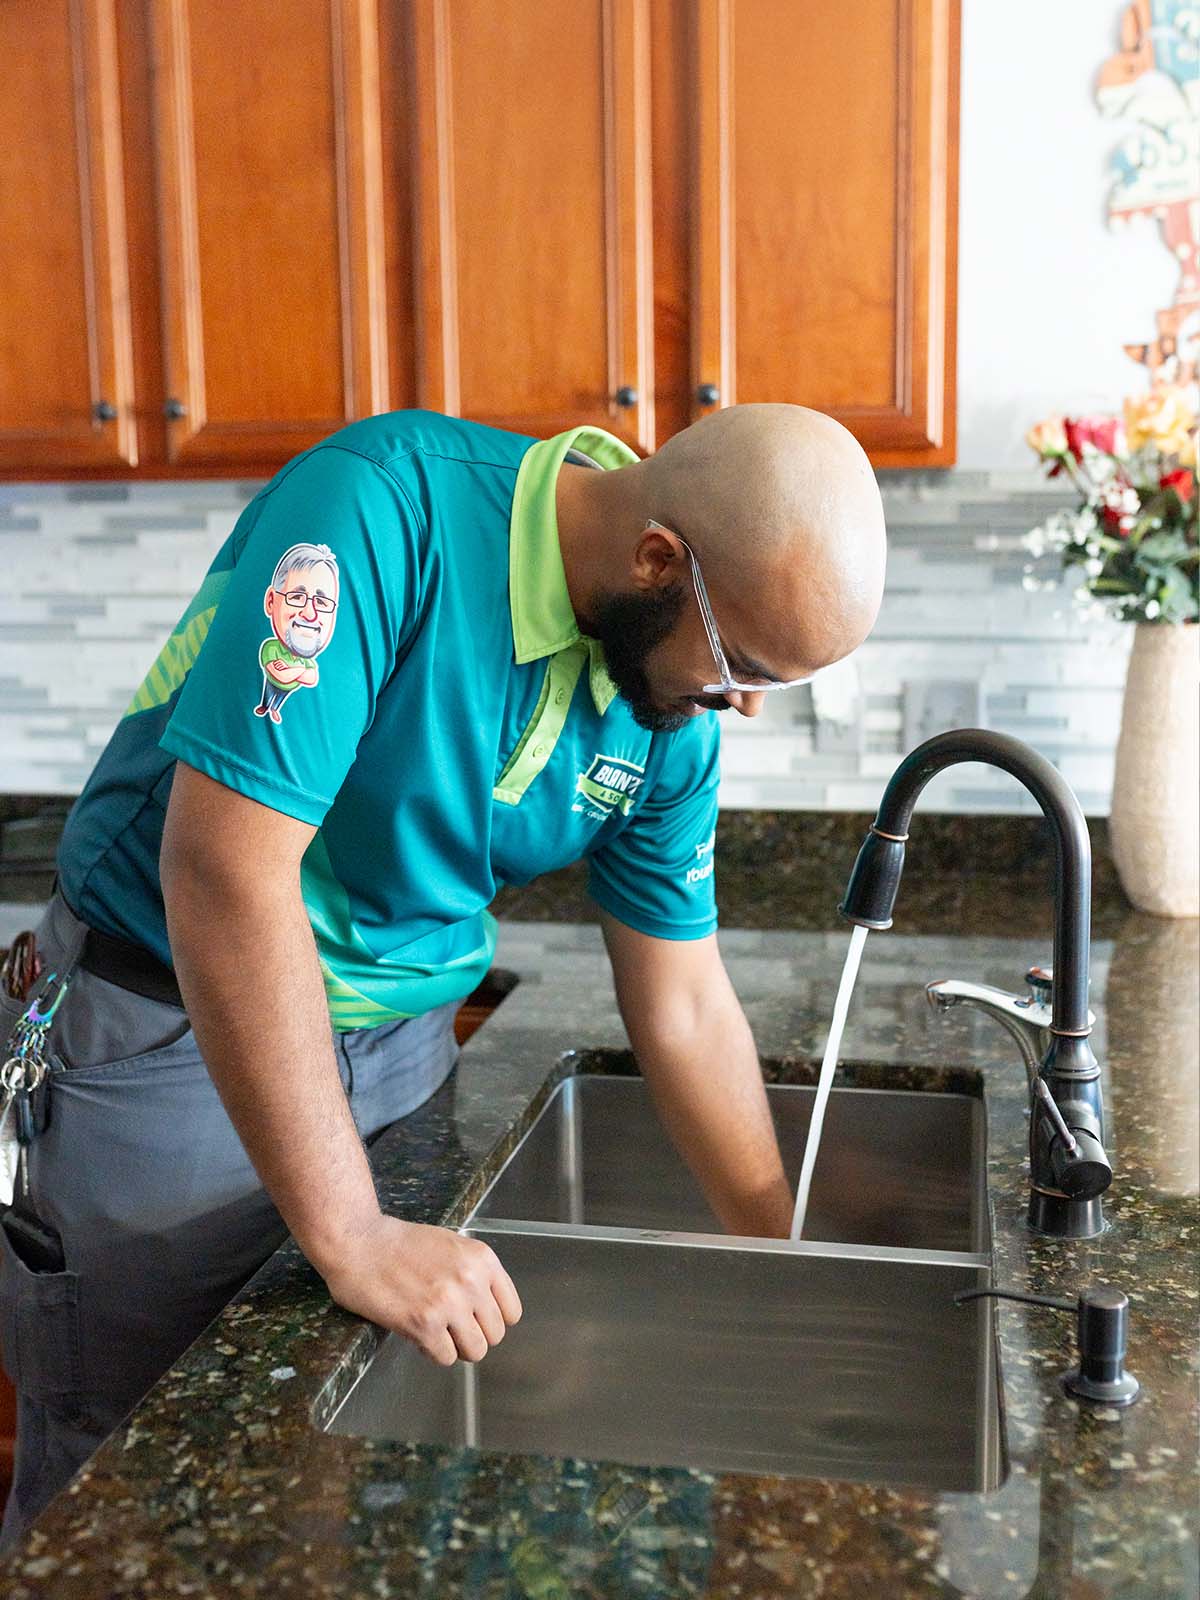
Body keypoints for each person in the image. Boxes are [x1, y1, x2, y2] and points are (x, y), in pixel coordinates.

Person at [0, 402, 887, 1545]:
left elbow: (682, 998)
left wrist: (784, 1253)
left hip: (400, 1055)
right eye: (745, 667)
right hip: (170, 1039)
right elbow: (223, 871)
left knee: (322, 1493)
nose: (747, 706)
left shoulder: (668, 697)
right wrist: (353, 1234)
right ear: (657, 559)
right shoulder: (380, 510)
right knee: (127, 1503)